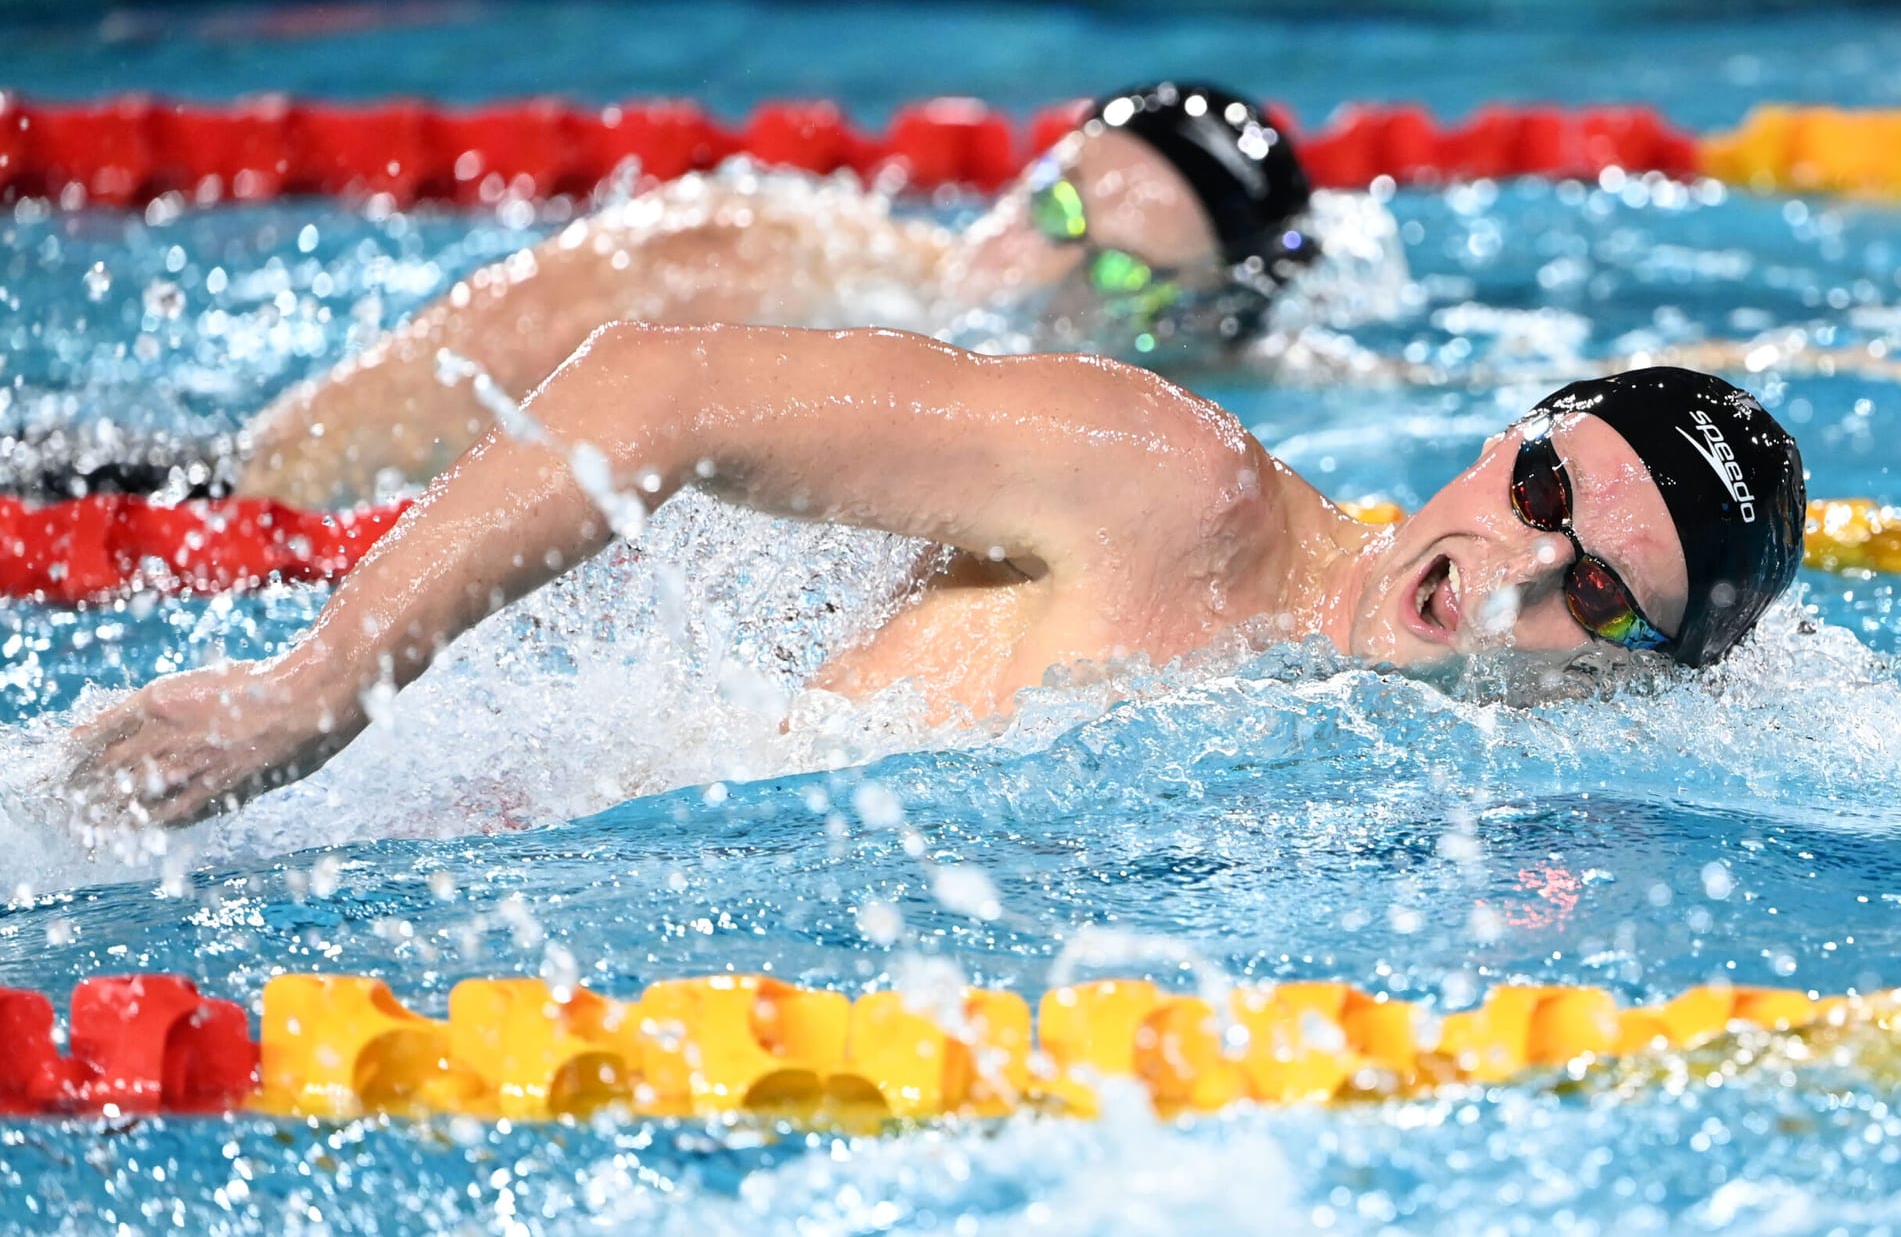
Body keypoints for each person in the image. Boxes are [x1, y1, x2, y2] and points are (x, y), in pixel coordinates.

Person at [63, 311, 1805, 828]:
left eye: (1595, 594)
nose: (1510, 567)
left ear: (1636, 671)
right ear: (1509, 431)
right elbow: (661, 388)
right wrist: (318, 688)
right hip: (412, 824)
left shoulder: (1521, 779)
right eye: (1545, 481)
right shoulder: (1173, 490)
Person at [14, 80, 1325, 511]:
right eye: (1055, 208)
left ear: (1188, 322)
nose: (1040, 263)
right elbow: (309, 457)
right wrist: (273, 495)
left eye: (1106, 269)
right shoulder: (769, 253)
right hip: (218, 499)